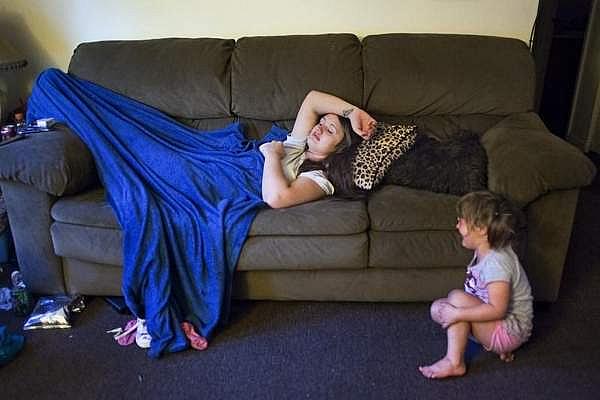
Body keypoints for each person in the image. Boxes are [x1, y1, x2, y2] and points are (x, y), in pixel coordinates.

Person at [419, 190, 533, 379]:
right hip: (495, 325)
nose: (457, 225)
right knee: (437, 308)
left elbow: (498, 310)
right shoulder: (485, 249)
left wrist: (458, 313)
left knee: (455, 299)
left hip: (509, 330)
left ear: (480, 229)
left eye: (461, 220)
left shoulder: (497, 262)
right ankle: (488, 342)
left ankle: (454, 362)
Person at [259, 90, 377, 208]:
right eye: (321, 123)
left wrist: (272, 154)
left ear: (341, 148)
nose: (319, 129)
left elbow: (277, 199)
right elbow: (312, 100)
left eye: (330, 131)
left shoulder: (319, 177)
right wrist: (353, 113)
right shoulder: (296, 146)